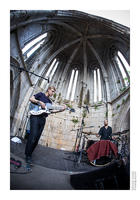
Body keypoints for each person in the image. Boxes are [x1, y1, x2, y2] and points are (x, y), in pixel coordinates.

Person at [25, 86, 66, 166]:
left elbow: (51, 111)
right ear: (48, 89)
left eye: (54, 92)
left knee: (36, 139)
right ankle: (28, 155)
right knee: (33, 137)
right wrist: (40, 102)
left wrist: (61, 109)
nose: (53, 93)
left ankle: (30, 154)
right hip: (35, 116)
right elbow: (31, 99)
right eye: (52, 91)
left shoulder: (50, 102)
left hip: (42, 119)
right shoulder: (40, 94)